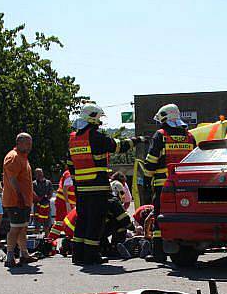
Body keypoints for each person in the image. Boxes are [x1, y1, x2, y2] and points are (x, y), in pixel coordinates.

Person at [67, 103, 143, 265]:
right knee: (95, 222)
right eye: (99, 118)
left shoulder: (73, 139)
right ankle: (91, 256)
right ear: (92, 118)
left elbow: (70, 165)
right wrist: (137, 140)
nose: (100, 122)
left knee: (83, 221)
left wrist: (78, 182)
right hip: (98, 188)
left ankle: (78, 255)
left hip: (81, 190)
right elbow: (119, 146)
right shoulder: (95, 137)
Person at [143, 103, 196, 262]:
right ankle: (185, 251)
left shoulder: (161, 135)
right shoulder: (190, 136)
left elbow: (151, 161)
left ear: (164, 118)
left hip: (163, 185)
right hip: (186, 185)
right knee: (183, 216)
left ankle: (159, 254)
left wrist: (146, 179)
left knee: (160, 216)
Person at [2, 132, 37, 267]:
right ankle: (10, 257)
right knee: (15, 228)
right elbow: (12, 179)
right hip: (15, 201)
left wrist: (32, 195)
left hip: (24, 200)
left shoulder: (23, 157)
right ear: (19, 143)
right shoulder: (13, 157)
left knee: (22, 228)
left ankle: (24, 255)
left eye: (30, 143)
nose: (29, 146)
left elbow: (25, 180)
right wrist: (20, 196)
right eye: (27, 143)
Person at [32, 168, 53, 234]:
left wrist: (46, 197)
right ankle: (36, 242)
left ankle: (48, 241)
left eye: (40, 173)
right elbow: (32, 194)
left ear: (43, 173)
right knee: (37, 226)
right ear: (35, 175)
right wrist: (40, 198)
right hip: (37, 207)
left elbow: (50, 192)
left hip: (46, 206)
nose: (39, 174)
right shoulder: (33, 183)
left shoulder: (48, 182)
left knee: (47, 226)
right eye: (37, 173)